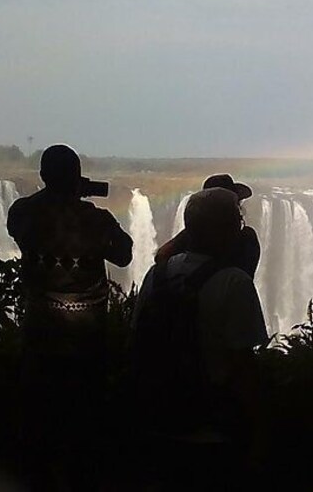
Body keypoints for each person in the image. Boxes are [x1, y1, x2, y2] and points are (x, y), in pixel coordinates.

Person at [7, 144, 132, 490]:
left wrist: (61, 196)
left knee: (38, 421)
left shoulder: (23, 214)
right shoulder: (97, 220)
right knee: (85, 422)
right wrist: (80, 202)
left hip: (40, 332)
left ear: (44, 176)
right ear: (77, 177)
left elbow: (20, 225)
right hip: (88, 337)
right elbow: (123, 254)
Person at [131, 187, 268, 489]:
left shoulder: (157, 274)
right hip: (212, 427)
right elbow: (244, 367)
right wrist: (258, 434)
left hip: (157, 417)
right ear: (230, 229)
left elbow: (137, 336)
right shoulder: (234, 282)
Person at [155, 174, 260, 278]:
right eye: (236, 205)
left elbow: (161, 256)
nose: (240, 209)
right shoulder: (246, 239)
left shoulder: (193, 235)